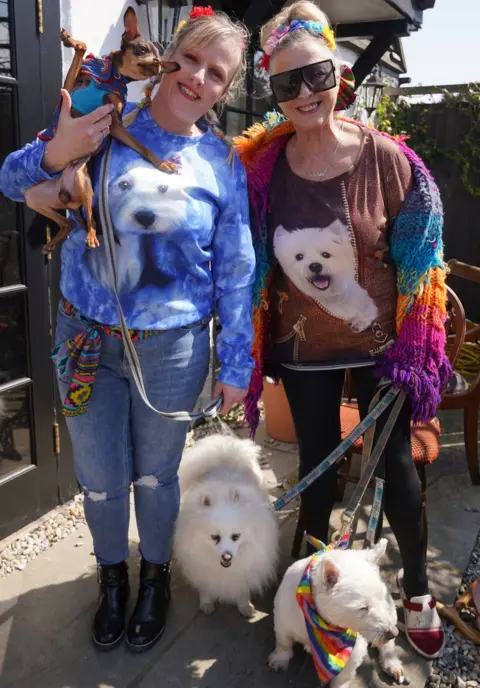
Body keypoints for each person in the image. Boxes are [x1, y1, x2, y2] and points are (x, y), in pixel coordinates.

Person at [0, 7, 254, 653]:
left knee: (158, 478)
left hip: (174, 348)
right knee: (101, 477)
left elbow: (236, 268)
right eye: (191, 59)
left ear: (226, 89)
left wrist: (234, 364)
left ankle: (156, 579)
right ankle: (113, 579)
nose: (198, 78)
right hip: (85, 339)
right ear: (168, 58)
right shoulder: (105, 123)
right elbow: (13, 179)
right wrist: (60, 150)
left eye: (216, 73)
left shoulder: (223, 163)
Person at [235, 1, 451, 660]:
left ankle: (415, 590)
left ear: (340, 73)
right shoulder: (262, 169)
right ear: (272, 89)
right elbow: (241, 256)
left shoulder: (388, 161)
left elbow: (424, 264)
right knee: (318, 474)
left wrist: (416, 350)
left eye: (317, 75)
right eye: (286, 83)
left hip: (386, 350)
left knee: (400, 476)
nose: (304, 93)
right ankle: (313, 592)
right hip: (306, 352)